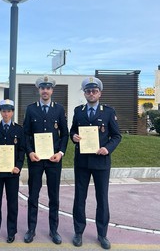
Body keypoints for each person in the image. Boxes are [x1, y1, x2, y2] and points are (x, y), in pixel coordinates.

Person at [70, 77, 122, 250]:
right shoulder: (78, 111)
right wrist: (74, 137)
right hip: (82, 162)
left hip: (101, 162)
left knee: (102, 198)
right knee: (79, 198)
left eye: (94, 91)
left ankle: (102, 234)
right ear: (84, 93)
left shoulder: (108, 111)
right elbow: (72, 131)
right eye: (88, 91)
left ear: (99, 93)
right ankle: (78, 232)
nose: (91, 94)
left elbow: (116, 136)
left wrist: (107, 148)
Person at [23, 76, 69, 244]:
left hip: (53, 160)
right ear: (39, 90)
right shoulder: (31, 109)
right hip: (35, 159)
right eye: (42, 88)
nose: (45, 91)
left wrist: (61, 153)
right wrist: (29, 152)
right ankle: (31, 229)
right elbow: (26, 134)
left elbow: (65, 134)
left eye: (48, 88)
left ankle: (53, 230)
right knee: (33, 195)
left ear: (52, 90)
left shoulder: (59, 109)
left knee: (53, 196)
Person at [0, 99, 25, 244]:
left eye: (9, 111)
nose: (6, 114)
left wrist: (18, 166)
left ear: (13, 112)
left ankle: (11, 232)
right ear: (0, 112)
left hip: (12, 173)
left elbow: (21, 151)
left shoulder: (19, 130)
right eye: (4, 111)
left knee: (12, 203)